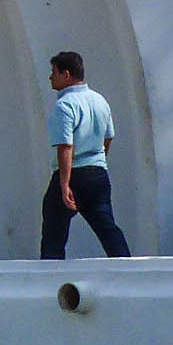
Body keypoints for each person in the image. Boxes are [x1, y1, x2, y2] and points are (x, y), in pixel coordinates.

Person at [41, 50, 131, 259]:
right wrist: (99, 161)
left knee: (54, 232)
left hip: (73, 173)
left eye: (54, 72)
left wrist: (65, 185)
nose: (50, 77)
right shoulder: (100, 100)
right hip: (98, 174)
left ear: (66, 74)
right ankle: (127, 268)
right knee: (107, 228)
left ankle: (48, 278)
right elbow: (108, 136)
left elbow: (66, 146)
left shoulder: (64, 105)